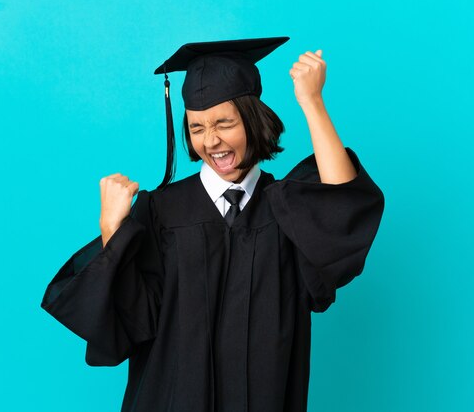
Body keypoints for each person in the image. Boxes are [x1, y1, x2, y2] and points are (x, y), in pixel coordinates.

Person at [41, 37, 385, 412]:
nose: (212, 140)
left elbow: (341, 213)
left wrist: (313, 103)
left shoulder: (288, 210)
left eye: (224, 123)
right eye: (197, 127)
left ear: (253, 120)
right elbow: (129, 322)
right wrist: (112, 231)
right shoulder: (161, 213)